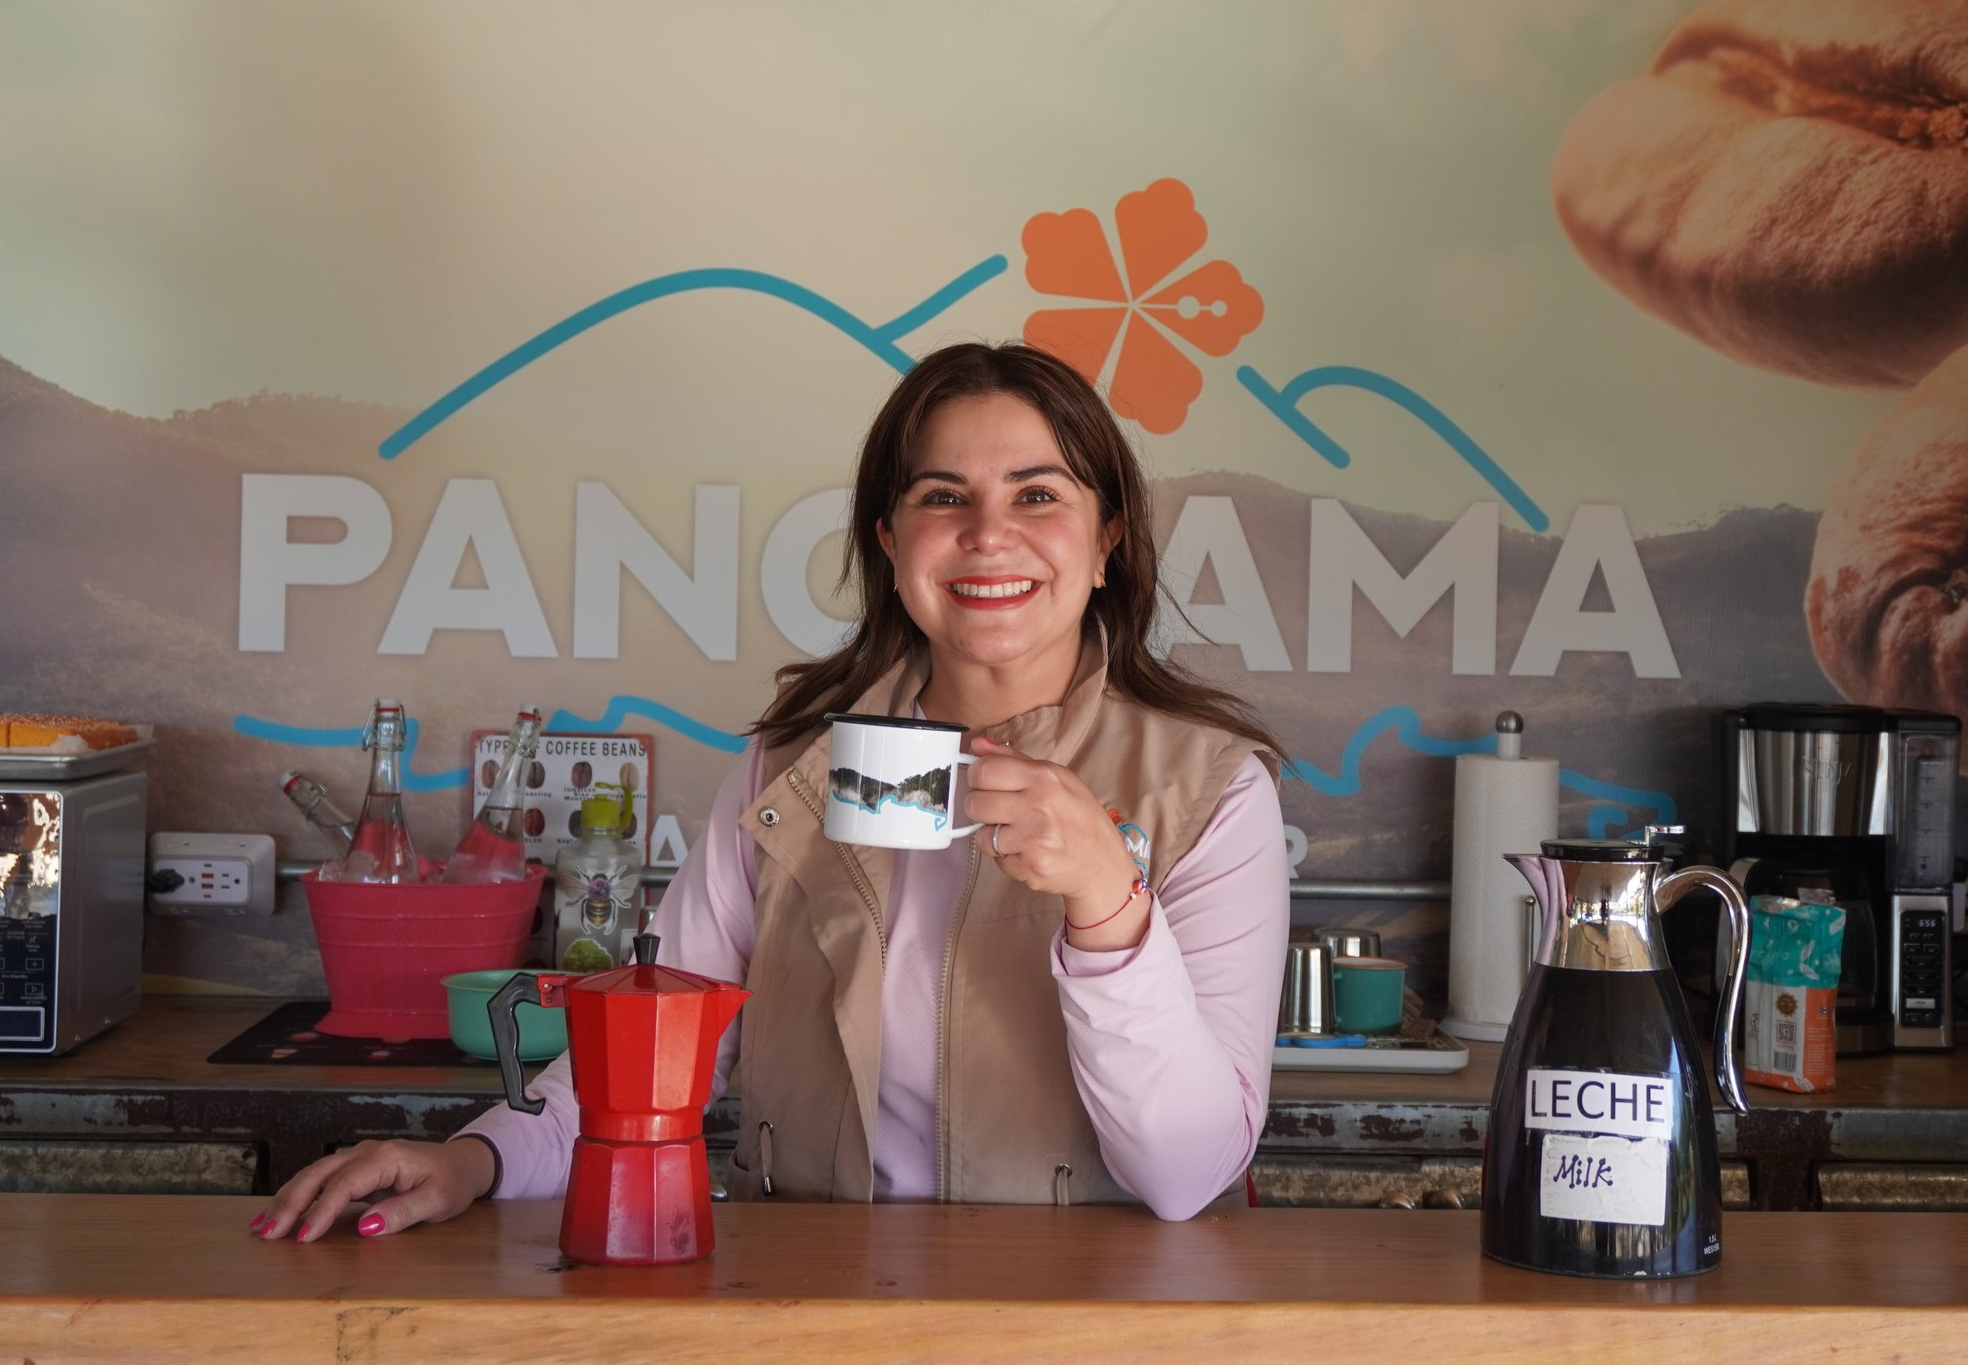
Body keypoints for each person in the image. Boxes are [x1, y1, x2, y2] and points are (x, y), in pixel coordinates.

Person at [249, 341, 1291, 1243]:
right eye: (941, 497)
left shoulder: (1211, 794)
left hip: (1085, 1318)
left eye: (1037, 494)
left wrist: (1110, 910)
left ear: (1106, 540)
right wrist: (473, 1161)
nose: (987, 533)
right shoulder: (789, 772)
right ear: (890, 543)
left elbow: (1187, 1174)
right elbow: (655, 1050)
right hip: (812, 1301)